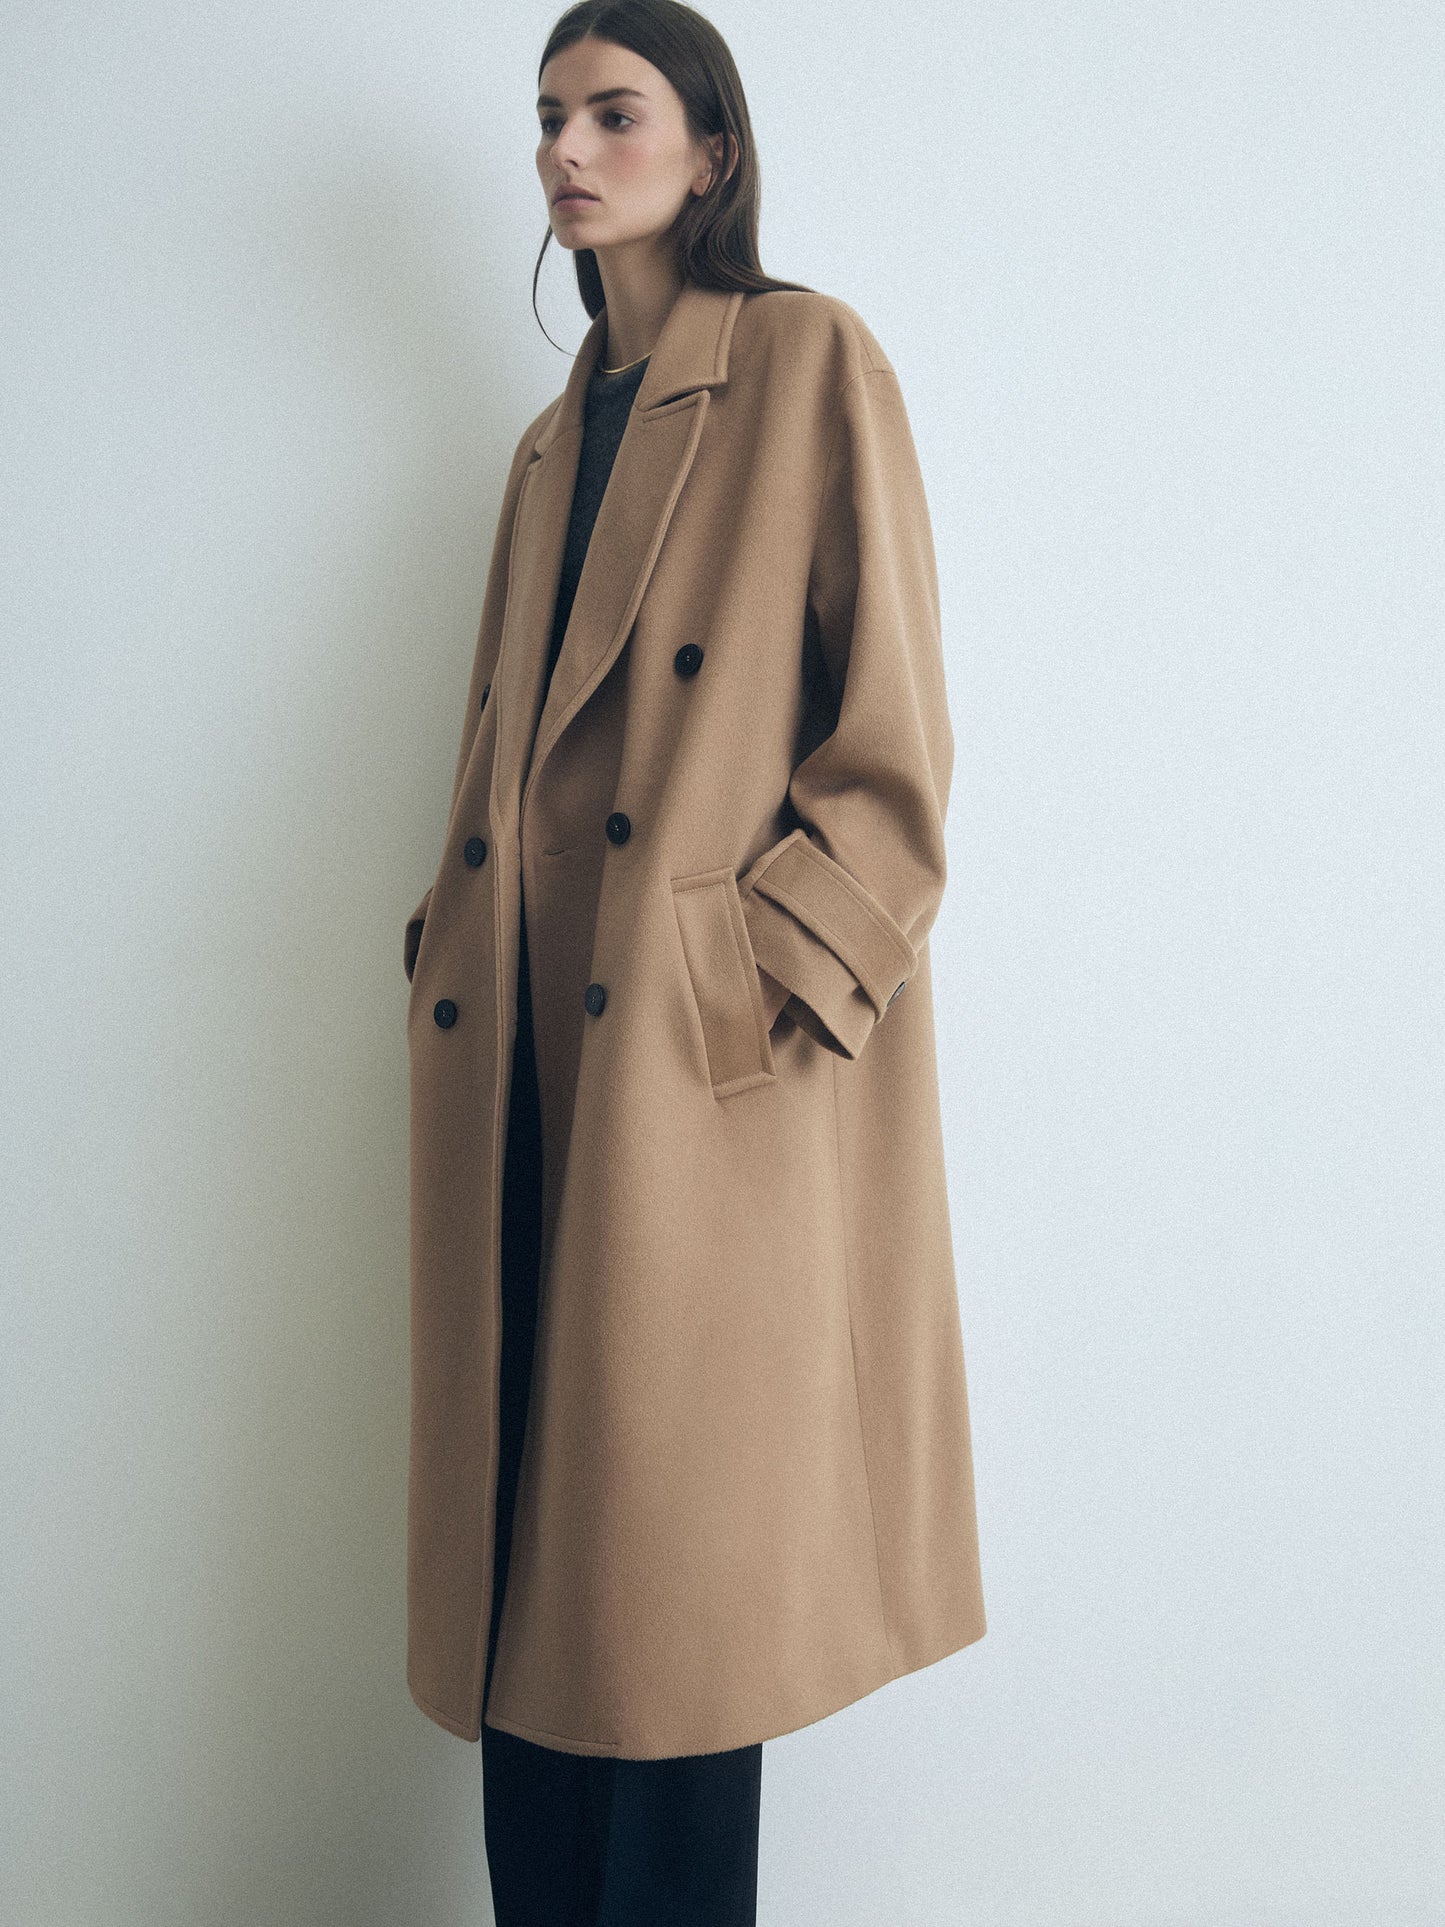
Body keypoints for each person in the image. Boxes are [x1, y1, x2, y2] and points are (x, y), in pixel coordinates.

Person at [401, 3, 986, 1921]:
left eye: (615, 111)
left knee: (661, 1633)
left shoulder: (809, 364)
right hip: (528, 1083)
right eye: (549, 116)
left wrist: (741, 988)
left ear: (711, 150)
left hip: (685, 1097)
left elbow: (890, 767)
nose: (569, 148)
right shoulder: (539, 449)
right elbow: (500, 757)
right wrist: (442, 951)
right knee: (534, 1629)